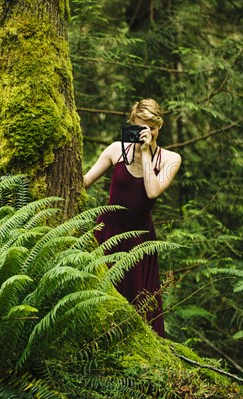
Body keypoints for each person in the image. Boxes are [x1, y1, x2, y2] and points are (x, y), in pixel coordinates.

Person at [83, 98, 181, 337]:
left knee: (140, 305)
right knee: (100, 297)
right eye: (139, 127)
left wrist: (146, 152)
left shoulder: (170, 159)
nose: (145, 133)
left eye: (151, 128)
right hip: (108, 233)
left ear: (159, 127)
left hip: (140, 241)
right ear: (131, 125)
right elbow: (84, 182)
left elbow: (152, 191)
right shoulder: (117, 150)